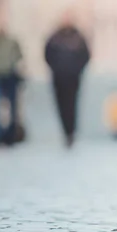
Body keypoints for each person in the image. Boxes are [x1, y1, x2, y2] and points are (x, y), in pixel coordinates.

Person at [45, 11, 90, 147]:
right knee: (61, 105)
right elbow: (47, 54)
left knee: (72, 105)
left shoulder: (78, 37)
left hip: (73, 78)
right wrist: (55, 68)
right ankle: (66, 131)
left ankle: (71, 132)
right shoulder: (55, 37)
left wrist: (77, 70)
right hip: (59, 77)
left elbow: (86, 55)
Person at [0, 24, 23, 146]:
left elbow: (19, 56)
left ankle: (11, 135)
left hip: (10, 76)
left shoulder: (12, 43)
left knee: (12, 107)